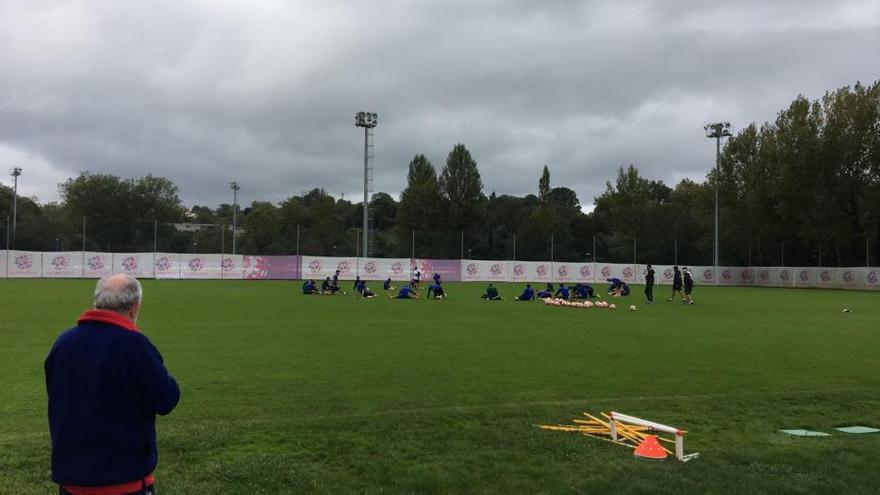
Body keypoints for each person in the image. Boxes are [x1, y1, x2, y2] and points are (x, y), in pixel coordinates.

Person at [45, 274, 179, 495]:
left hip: (71, 483)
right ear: (135, 308)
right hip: (123, 483)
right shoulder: (134, 345)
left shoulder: (63, 342)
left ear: (96, 302)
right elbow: (165, 399)